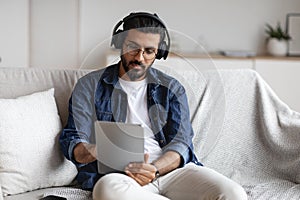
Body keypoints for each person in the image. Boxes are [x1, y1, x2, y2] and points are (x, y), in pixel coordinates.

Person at [59, 12, 247, 200]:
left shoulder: (172, 88)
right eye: (133, 47)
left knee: (234, 194)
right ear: (120, 44)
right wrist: (98, 150)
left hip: (170, 172)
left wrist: (155, 170)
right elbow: (73, 140)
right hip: (121, 176)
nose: (139, 58)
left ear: (159, 53)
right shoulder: (89, 86)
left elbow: (181, 143)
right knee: (106, 191)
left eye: (149, 51)